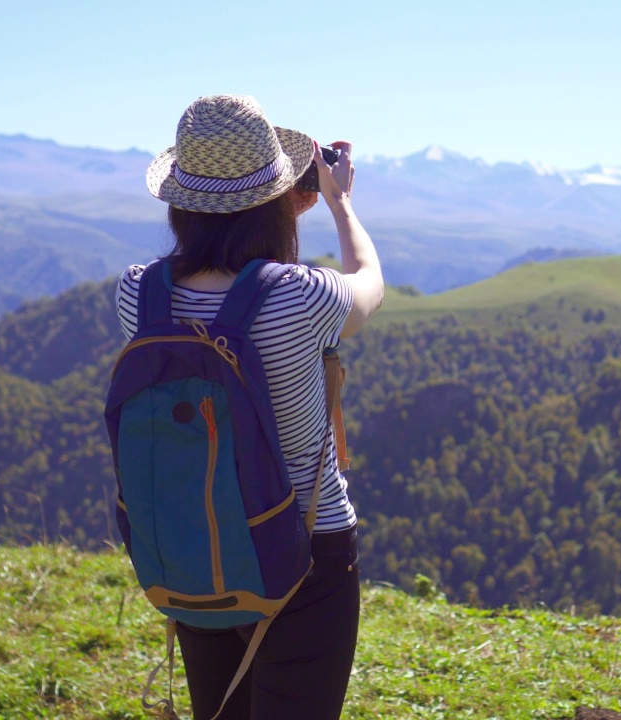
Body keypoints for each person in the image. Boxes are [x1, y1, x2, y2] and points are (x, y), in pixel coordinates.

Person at [115, 94, 384, 720]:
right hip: (304, 548)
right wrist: (339, 201)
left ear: (182, 201)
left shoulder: (136, 293)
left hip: (193, 542)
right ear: (278, 197)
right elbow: (369, 282)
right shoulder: (302, 297)